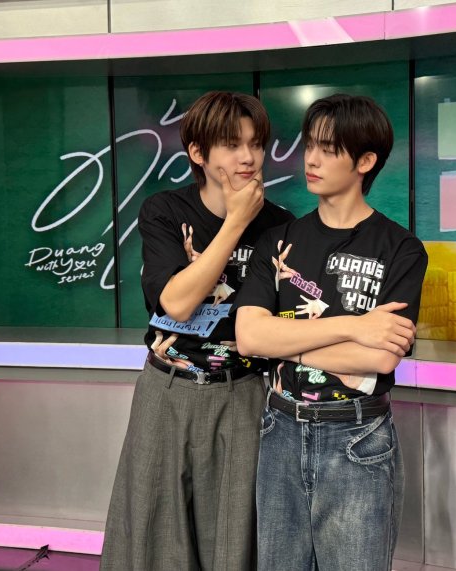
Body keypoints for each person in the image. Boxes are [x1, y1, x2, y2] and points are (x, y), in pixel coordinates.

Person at [100, 91, 294, 571]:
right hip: (168, 389)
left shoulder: (281, 226)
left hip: (244, 392)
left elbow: (276, 324)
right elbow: (177, 302)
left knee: (235, 533)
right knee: (153, 526)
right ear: (198, 153)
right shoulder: (164, 211)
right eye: (232, 144)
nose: (248, 157)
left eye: (256, 144)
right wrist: (235, 222)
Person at [235, 94, 428, 571]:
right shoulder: (278, 240)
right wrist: (354, 328)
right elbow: (249, 338)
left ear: (365, 161)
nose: (312, 160)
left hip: (358, 437)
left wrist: (286, 346)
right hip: (280, 429)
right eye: (309, 146)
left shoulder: (401, 249)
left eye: (328, 149)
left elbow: (379, 359)